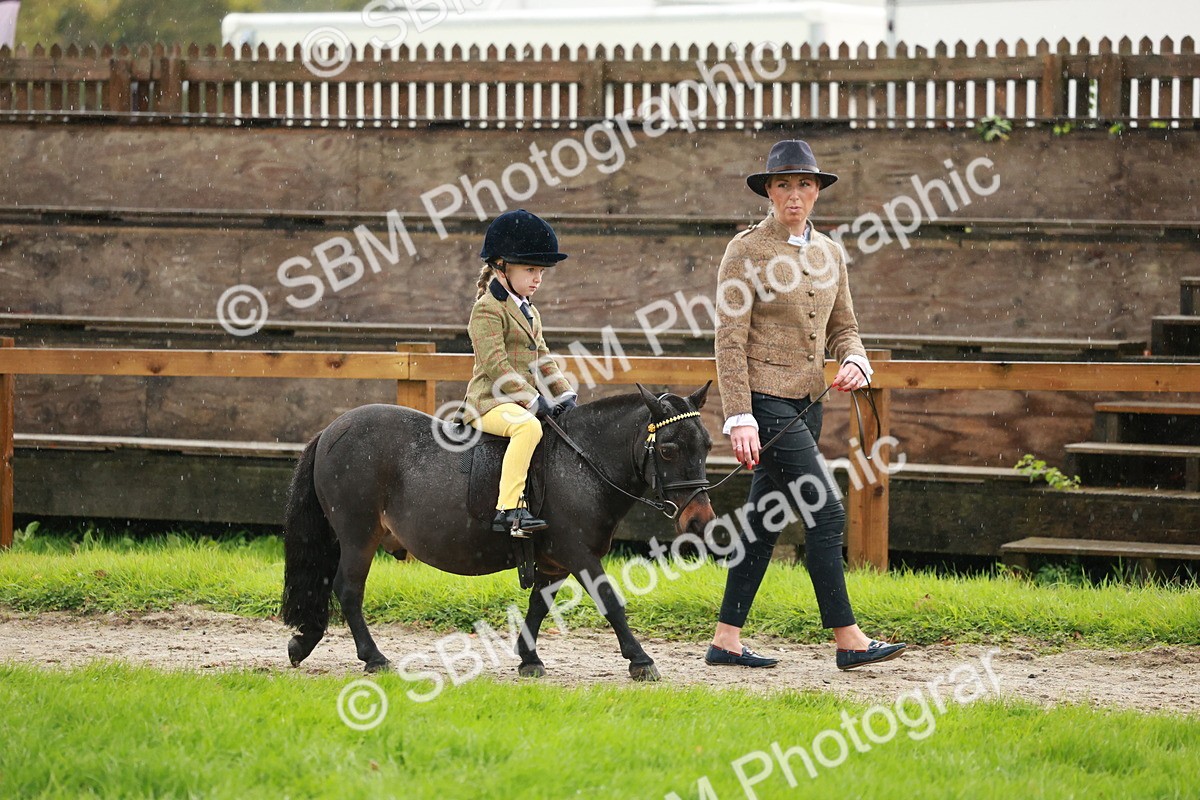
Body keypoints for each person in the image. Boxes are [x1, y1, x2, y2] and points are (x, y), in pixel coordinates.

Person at [706, 140, 906, 670]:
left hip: (807, 406)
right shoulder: (744, 252)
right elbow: (728, 339)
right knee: (827, 510)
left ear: (817, 191)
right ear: (768, 191)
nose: (794, 195)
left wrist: (857, 360)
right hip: (765, 408)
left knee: (762, 521)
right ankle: (848, 639)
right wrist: (739, 415)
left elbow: (845, 328)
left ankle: (726, 639)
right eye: (783, 185)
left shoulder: (831, 253)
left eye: (804, 185)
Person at [461, 209, 577, 538]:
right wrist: (533, 399)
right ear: (502, 266)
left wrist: (565, 395)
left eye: (541, 271)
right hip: (487, 403)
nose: (538, 278)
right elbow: (496, 364)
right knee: (527, 428)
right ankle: (508, 509)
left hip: (518, 401)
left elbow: (542, 358)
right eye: (530, 270)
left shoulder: (530, 310)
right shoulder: (486, 308)